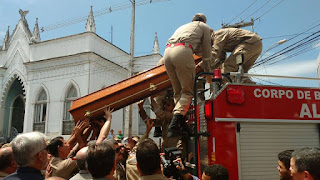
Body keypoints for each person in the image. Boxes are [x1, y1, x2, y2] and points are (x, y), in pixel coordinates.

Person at [164, 13, 212, 138]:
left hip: (167, 53)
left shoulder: (183, 27)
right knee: (188, 93)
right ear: (204, 21)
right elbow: (206, 54)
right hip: (182, 51)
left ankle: (182, 126)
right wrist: (209, 77)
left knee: (178, 93)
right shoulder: (204, 27)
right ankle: (174, 127)